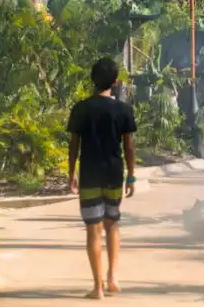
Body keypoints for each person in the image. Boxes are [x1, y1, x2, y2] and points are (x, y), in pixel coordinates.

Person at [67, 57, 137, 299]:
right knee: (112, 224)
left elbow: (74, 145)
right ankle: (113, 278)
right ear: (115, 82)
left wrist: (70, 173)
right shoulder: (123, 110)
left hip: (89, 174)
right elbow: (129, 147)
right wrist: (132, 176)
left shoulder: (81, 109)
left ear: (92, 80)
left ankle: (97, 287)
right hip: (114, 173)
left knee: (93, 230)